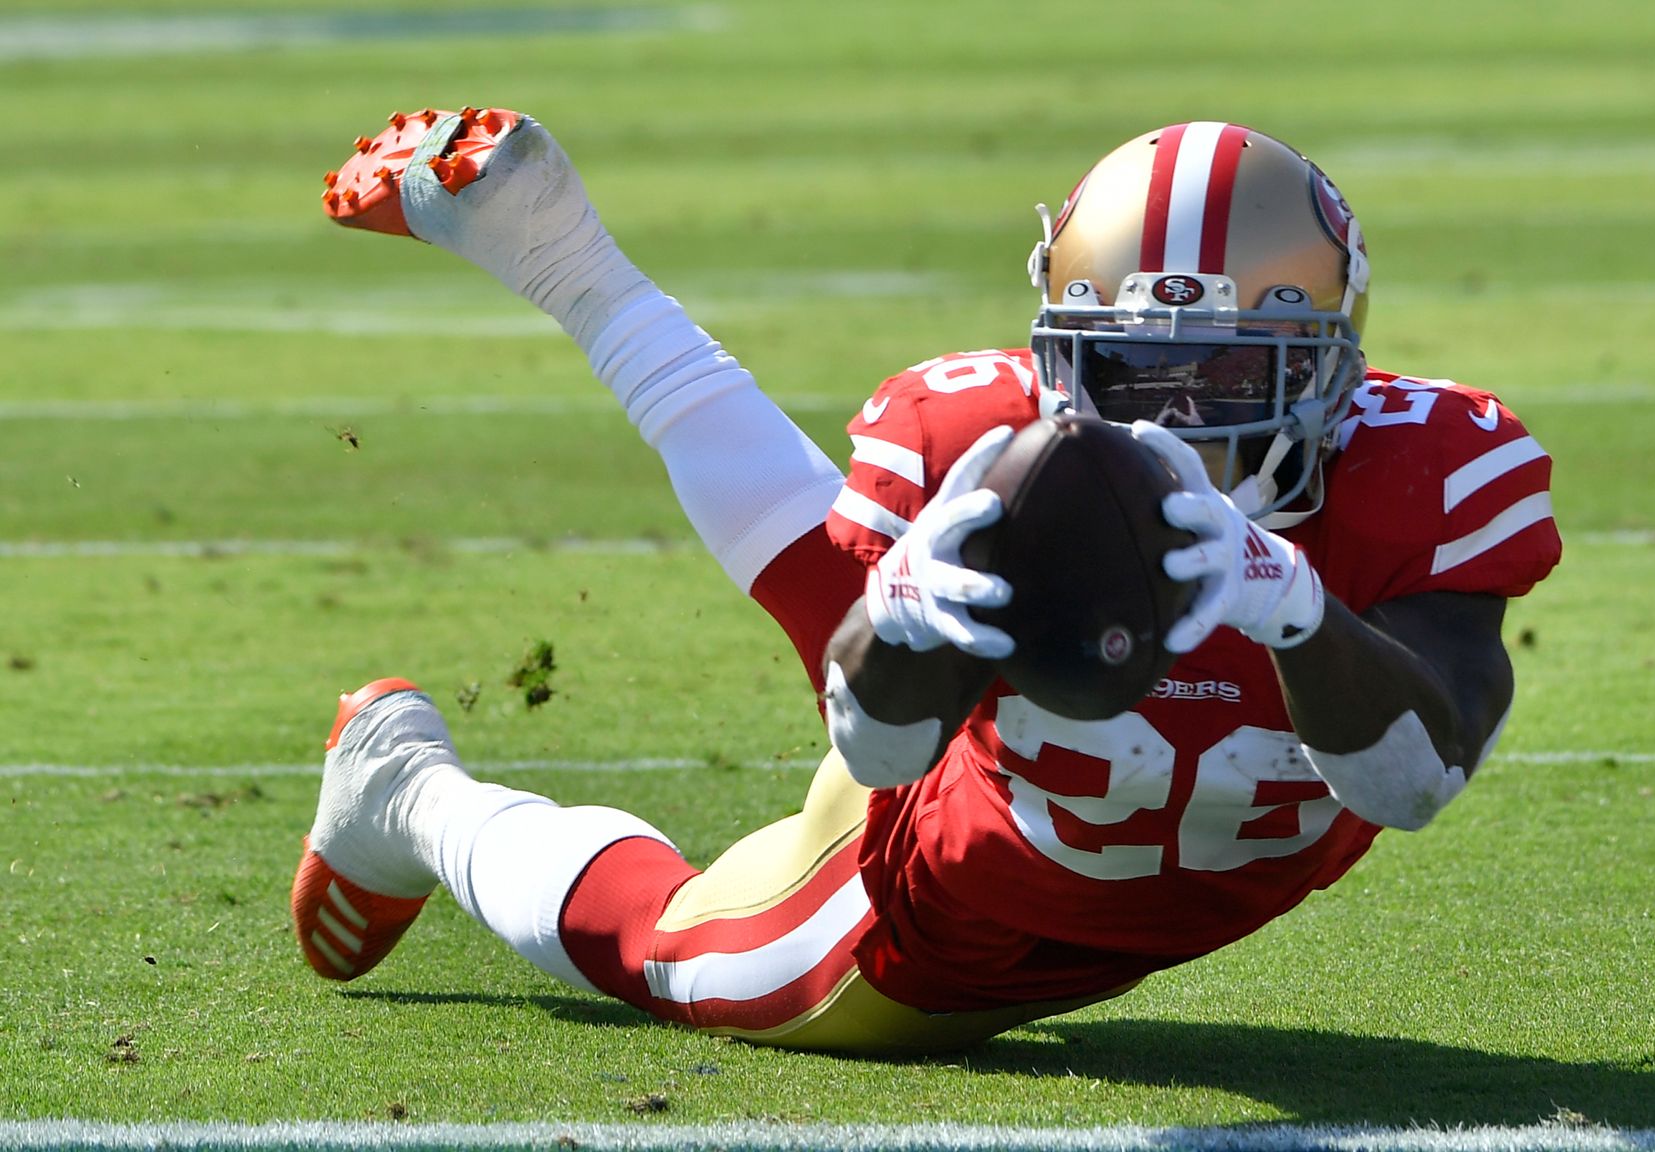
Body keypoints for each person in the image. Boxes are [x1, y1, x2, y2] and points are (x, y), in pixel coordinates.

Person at [292, 111, 1561, 1053]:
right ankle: (407, 798)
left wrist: (1286, 600)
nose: (1184, 426)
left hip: (1088, 838)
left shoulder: (1428, 466)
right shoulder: (985, 442)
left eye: (1231, 376)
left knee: (840, 590)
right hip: (943, 909)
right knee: (667, 951)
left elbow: (1409, 779)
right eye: (1129, 379)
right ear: (1061, 362)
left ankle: (571, 263)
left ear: (1334, 357)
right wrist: (901, 623)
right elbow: (888, 751)